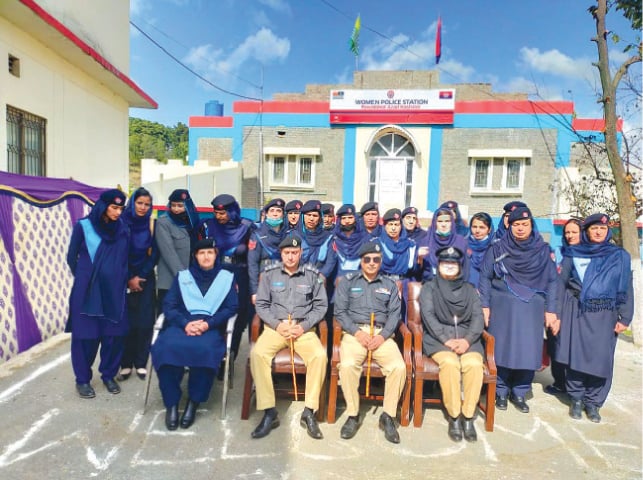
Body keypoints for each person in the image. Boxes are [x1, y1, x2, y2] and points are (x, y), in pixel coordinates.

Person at [151, 238, 238, 430]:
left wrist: (208, 324)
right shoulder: (183, 277)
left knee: (205, 350)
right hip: (182, 324)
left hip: (211, 327)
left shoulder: (226, 278)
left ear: (216, 255)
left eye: (210, 252)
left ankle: (193, 401)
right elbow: (169, 305)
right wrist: (186, 323)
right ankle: (172, 403)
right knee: (165, 348)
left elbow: (231, 307)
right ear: (195, 256)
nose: (206, 256)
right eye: (201, 253)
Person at [479, 206, 558, 413]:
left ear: (531, 225)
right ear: (510, 226)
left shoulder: (542, 250)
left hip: (532, 309)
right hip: (502, 308)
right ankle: (501, 391)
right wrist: (484, 305)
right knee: (502, 351)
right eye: (516, 225)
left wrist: (551, 310)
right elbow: (485, 277)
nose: (521, 229)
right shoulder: (497, 248)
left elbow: (552, 281)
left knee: (527, 351)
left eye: (525, 224)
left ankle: (520, 392)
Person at [556, 213, 633, 423]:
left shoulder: (620, 256)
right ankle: (577, 399)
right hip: (578, 313)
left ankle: (593, 402)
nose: (598, 232)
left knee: (601, 359)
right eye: (593, 228)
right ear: (587, 231)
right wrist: (556, 314)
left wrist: (625, 317)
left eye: (602, 228)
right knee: (577, 357)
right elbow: (560, 284)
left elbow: (626, 287)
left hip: (606, 314)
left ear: (608, 231)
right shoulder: (575, 254)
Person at [250, 235, 328, 439]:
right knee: (258, 353)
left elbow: (321, 306)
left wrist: (303, 326)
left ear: (300, 253)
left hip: (303, 330)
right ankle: (269, 411)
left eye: (295, 253)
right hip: (276, 329)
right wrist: (278, 325)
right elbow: (261, 305)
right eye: (287, 253)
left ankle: (309, 411)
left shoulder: (312, 275)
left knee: (319, 356)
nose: (291, 257)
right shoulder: (269, 275)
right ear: (281, 254)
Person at [334, 241, 406, 444]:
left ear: (381, 261)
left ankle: (388, 415)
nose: (372, 263)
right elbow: (340, 311)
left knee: (398, 367)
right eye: (367, 259)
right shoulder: (347, 281)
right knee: (347, 366)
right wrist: (358, 333)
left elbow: (394, 315)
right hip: (355, 333)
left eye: (376, 259)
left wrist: (382, 336)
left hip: (382, 335)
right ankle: (353, 414)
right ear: (361, 261)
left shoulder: (390, 284)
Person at [66, 189, 129, 398]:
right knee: (86, 336)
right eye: (114, 207)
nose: (118, 212)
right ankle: (82, 380)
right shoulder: (83, 226)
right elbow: (71, 257)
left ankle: (109, 375)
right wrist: (87, 277)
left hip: (114, 291)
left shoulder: (122, 229)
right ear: (103, 206)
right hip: (87, 292)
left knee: (114, 335)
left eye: (121, 208)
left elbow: (124, 259)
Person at [420, 246, 485, 442]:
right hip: (439, 340)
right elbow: (428, 316)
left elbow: (478, 318)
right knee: (449, 364)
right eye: (445, 263)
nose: (449, 266)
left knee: (474, 365)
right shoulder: (429, 288)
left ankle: (468, 416)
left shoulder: (470, 290)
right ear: (439, 265)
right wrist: (446, 340)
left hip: (467, 339)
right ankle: (454, 416)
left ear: (460, 266)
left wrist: (466, 341)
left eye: (453, 263)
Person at [199, 194, 254, 358]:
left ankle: (230, 354)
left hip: (239, 275)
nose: (219, 216)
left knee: (237, 317)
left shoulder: (247, 227)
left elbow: (254, 256)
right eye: (216, 213)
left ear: (232, 211)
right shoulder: (207, 226)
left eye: (223, 213)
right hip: (214, 274)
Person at [119, 188, 158, 381]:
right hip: (122, 277)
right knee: (125, 322)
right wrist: (129, 277)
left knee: (144, 322)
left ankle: (141, 362)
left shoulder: (152, 224)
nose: (143, 208)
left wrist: (140, 276)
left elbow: (155, 253)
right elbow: (117, 253)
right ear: (132, 202)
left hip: (145, 278)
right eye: (139, 203)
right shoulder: (121, 223)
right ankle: (125, 363)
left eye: (147, 204)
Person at [545, 217, 582, 396]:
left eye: (574, 232)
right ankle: (559, 381)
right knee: (553, 343)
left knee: (567, 344)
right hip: (552, 301)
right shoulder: (559, 252)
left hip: (570, 305)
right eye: (567, 232)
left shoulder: (583, 254)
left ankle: (571, 385)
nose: (570, 235)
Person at [155, 189, 199, 309]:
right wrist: (184, 278)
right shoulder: (164, 222)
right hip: (170, 281)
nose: (176, 209)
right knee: (166, 320)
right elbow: (168, 253)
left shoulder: (193, 222)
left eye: (180, 206)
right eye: (173, 205)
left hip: (193, 279)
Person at [248, 198, 286, 304]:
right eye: (272, 211)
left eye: (278, 211)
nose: (275, 214)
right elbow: (252, 264)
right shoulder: (257, 235)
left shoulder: (288, 235)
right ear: (266, 214)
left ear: (283, 214)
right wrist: (254, 291)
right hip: (263, 280)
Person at [422, 208, 468, 282]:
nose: (443, 225)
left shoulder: (461, 242)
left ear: (452, 223)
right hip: (431, 285)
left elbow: (466, 268)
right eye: (440, 221)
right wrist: (418, 258)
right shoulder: (425, 242)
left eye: (447, 221)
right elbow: (419, 271)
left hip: (455, 285)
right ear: (435, 223)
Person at [326, 203, 369, 277]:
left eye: (350, 217)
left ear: (355, 219)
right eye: (344, 218)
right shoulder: (332, 238)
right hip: (336, 280)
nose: (347, 221)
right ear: (339, 220)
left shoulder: (365, 238)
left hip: (359, 279)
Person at [298, 199, 334, 278]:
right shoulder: (294, 235)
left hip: (319, 278)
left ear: (320, 218)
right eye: (308, 215)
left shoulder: (328, 237)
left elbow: (330, 261)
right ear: (302, 216)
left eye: (315, 216)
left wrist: (321, 276)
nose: (311, 219)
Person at [379, 208, 418, 280]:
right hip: (383, 282)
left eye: (396, 225)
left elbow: (414, 268)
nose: (393, 228)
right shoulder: (377, 243)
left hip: (404, 283)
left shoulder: (411, 245)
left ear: (401, 226)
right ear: (385, 226)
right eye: (390, 224)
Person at [466, 212, 494, 289]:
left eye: (482, 227)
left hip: (488, 292)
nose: (477, 231)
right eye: (474, 227)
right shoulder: (463, 245)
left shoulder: (495, 247)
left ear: (489, 229)